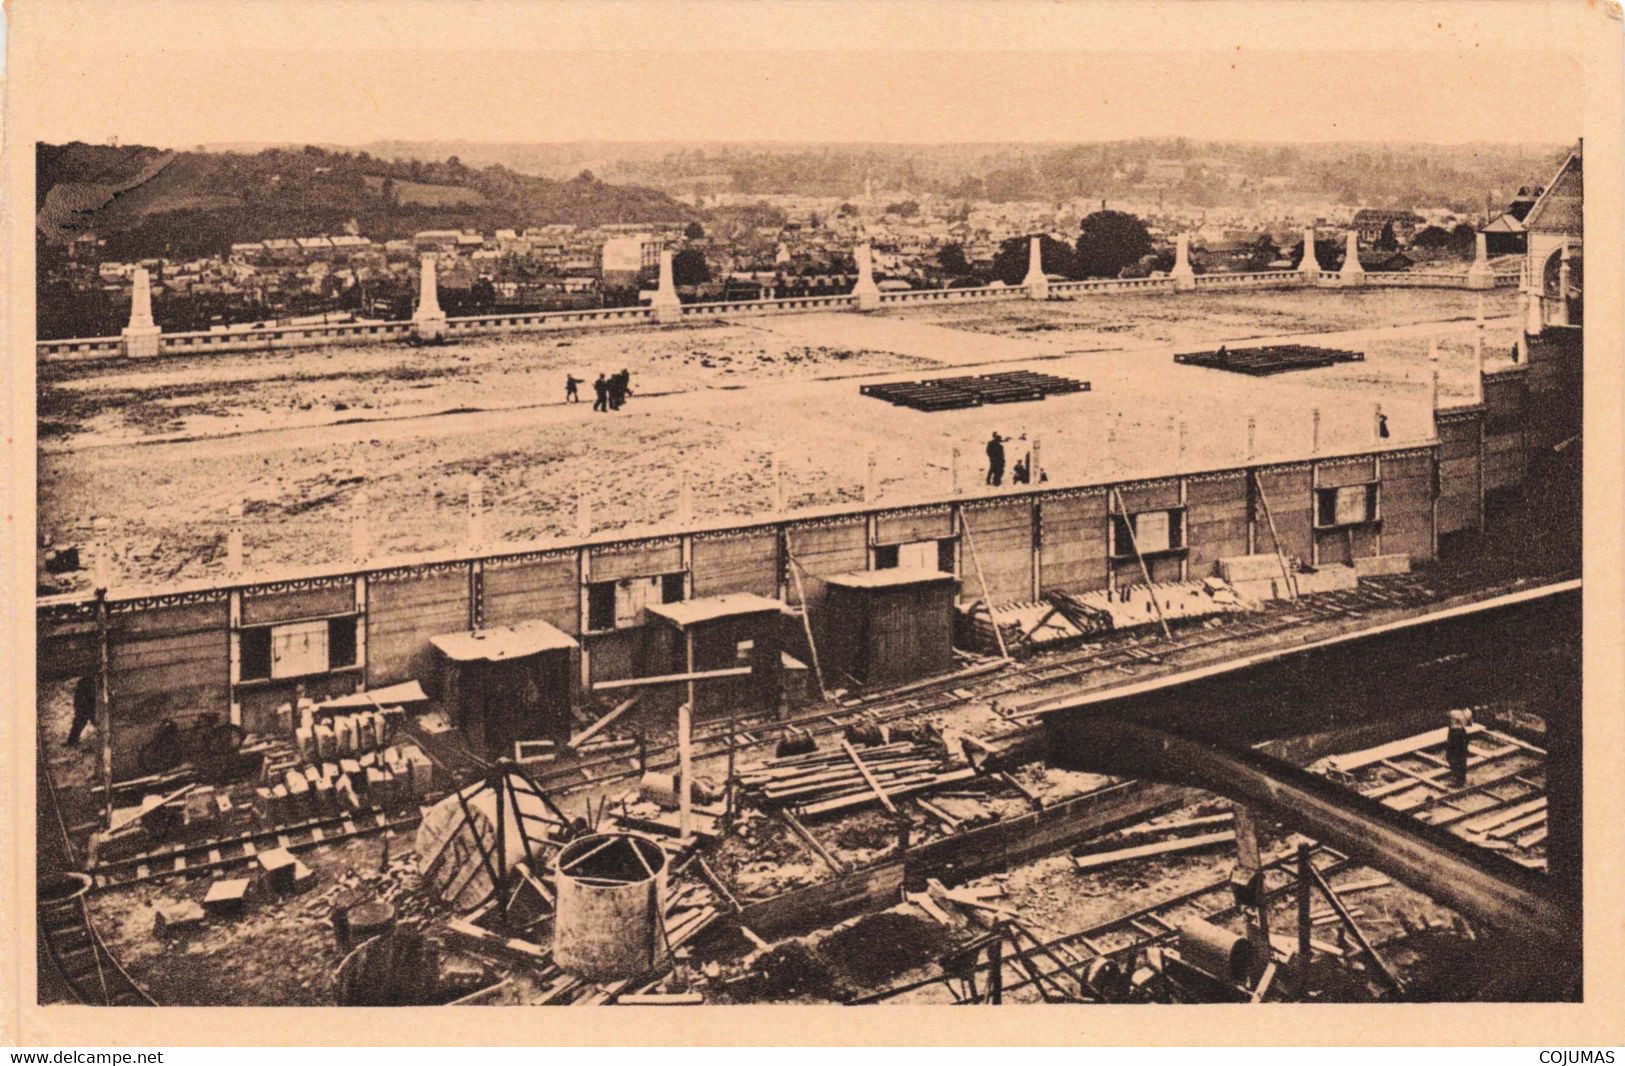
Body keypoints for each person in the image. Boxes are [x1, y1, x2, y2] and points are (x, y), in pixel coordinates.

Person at [67, 673, 96, 746]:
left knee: (79, 722)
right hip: (84, 706)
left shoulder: (84, 686)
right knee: (80, 722)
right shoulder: (86, 686)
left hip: (84, 706)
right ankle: (72, 741)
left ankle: (72, 740)